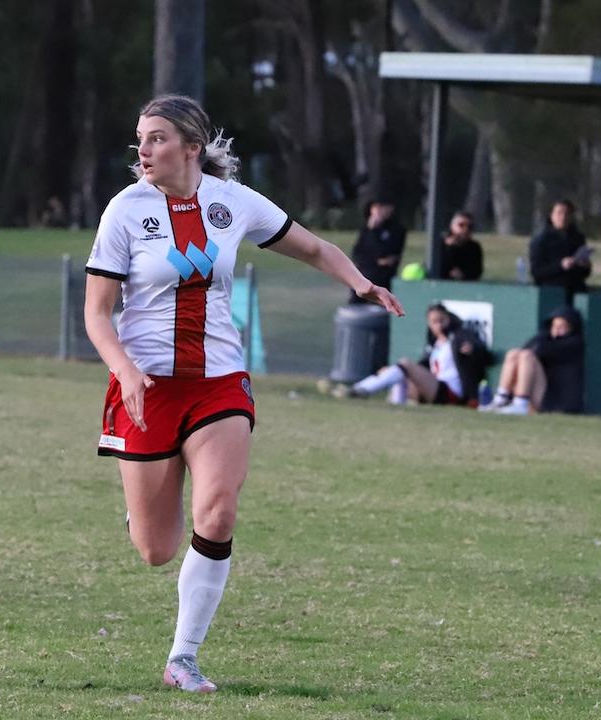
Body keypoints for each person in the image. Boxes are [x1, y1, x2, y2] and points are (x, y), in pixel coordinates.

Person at [82, 94, 403, 694]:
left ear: (191, 147)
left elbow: (311, 246)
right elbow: (97, 314)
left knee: (221, 510)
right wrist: (124, 370)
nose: (143, 150)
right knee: (155, 550)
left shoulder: (232, 202)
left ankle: (183, 659)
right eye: (140, 139)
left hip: (220, 382)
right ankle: (143, 505)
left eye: (155, 138)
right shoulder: (125, 210)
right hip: (146, 386)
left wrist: (361, 283)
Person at [341, 303, 492, 406]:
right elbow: (423, 366)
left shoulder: (459, 336)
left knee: (405, 364)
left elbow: (484, 353)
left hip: (452, 393)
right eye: (435, 322)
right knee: (400, 370)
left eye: (442, 320)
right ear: (429, 324)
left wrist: (473, 350)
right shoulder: (434, 344)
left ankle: (363, 390)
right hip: (434, 388)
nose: (439, 325)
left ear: (449, 319)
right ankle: (393, 404)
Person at [479, 306, 585, 415]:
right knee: (513, 354)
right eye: (554, 326)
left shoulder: (575, 343)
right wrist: (545, 334)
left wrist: (543, 337)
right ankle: (501, 399)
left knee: (526, 356)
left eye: (562, 327)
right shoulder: (546, 337)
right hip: (534, 392)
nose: (557, 330)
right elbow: (527, 347)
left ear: (571, 328)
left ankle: (520, 403)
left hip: (551, 399)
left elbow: (541, 350)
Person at [347, 196, 405, 303]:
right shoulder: (366, 229)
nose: (378, 211)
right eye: (375, 207)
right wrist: (371, 230)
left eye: (381, 207)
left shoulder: (397, 230)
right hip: (364, 274)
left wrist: (374, 232)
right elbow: (358, 253)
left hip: (383, 278)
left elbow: (386, 253)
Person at [529, 199, 591, 298]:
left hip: (576, 292)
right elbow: (536, 271)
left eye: (567, 213)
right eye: (559, 213)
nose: (563, 217)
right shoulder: (541, 240)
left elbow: (585, 274)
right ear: (551, 215)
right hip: (551, 292)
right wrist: (561, 265)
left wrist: (585, 266)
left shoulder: (578, 238)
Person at [438, 211, 483, 281]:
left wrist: (463, 275)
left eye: (470, 227)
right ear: (452, 226)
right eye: (461, 225)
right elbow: (435, 269)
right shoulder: (440, 244)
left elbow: (477, 272)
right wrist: (450, 248)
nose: (466, 229)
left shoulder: (474, 247)